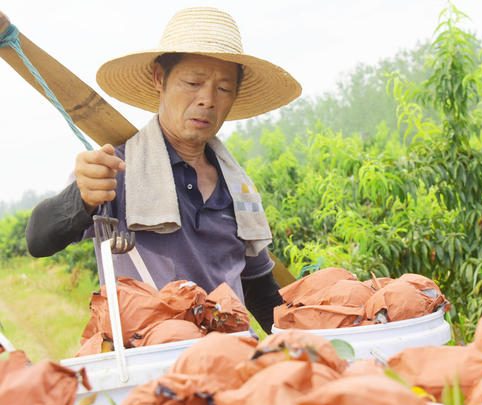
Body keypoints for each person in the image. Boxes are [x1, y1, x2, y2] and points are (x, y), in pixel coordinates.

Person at [25, 7, 302, 331]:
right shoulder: (117, 169)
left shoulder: (238, 189)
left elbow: (258, 289)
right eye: (193, 82)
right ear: (160, 78)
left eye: (224, 89)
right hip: (152, 361)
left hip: (230, 360)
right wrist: (80, 199)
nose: (208, 100)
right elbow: (39, 240)